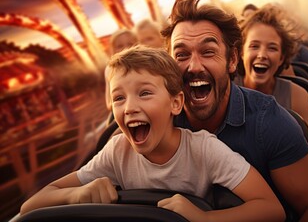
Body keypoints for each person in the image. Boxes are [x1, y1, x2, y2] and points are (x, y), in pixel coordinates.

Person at [20, 46, 285, 222]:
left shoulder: (205, 150)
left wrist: (203, 218)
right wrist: (75, 195)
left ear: (175, 103)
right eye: (119, 98)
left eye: (145, 93)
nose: (130, 107)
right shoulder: (117, 151)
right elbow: (30, 206)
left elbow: (271, 208)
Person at [161, 0, 308, 221]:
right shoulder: (155, 120)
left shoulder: (272, 123)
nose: (194, 66)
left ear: (233, 59)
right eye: (181, 55)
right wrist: (103, 183)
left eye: (208, 52)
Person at [238, 3, 308, 175]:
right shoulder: (226, 89)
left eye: (272, 48)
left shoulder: (298, 96)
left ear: (281, 58)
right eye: (254, 46)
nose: (262, 54)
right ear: (241, 52)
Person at [105, 29, 138, 112]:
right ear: (113, 50)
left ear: (137, 44)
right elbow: (109, 103)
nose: (126, 48)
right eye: (120, 46)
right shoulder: (110, 70)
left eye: (130, 44)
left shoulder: (146, 64)